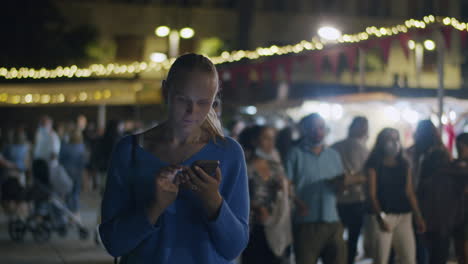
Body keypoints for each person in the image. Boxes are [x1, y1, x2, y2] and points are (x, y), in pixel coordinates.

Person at [99, 53, 249, 264]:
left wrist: (213, 201)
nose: (192, 111)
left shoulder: (229, 153)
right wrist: (155, 206)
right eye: (183, 100)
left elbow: (234, 247)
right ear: (165, 91)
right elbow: (113, 243)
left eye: (203, 103)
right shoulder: (130, 151)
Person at [285, 113, 346, 264]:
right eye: (313, 128)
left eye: (321, 127)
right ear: (304, 130)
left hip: (332, 220)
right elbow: (286, 186)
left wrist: (342, 185)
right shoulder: (295, 154)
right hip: (306, 222)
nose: (318, 131)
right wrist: (298, 203)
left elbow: (340, 186)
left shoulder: (333, 155)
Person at [365, 128, 426, 264]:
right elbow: (372, 194)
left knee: (409, 258)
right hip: (384, 215)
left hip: (404, 216)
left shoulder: (404, 165)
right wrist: (380, 217)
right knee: (381, 258)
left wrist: (418, 216)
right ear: (381, 141)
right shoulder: (374, 164)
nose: (393, 142)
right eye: (389, 138)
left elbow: (410, 192)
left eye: (396, 138)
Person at [242, 125, 292, 264]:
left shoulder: (276, 167)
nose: (270, 143)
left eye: (273, 139)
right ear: (254, 141)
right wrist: (255, 207)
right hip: (253, 230)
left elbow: (285, 195)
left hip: (277, 227)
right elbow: (236, 198)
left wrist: (285, 189)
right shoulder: (245, 167)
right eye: (266, 138)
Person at [407, 120, 446, 264]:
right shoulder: (441, 153)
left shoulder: (414, 152)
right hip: (434, 205)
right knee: (433, 247)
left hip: (420, 202)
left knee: (421, 245)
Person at [332, 116, 369, 264]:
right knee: (352, 238)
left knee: (338, 238)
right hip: (355, 199)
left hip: (339, 198)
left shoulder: (335, 146)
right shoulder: (363, 150)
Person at [60, 128, 87, 214]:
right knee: (76, 193)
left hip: (67, 172)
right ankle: (75, 212)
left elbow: (60, 159)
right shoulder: (82, 146)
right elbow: (83, 161)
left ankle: (68, 212)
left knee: (68, 193)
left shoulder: (65, 146)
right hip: (78, 172)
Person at [453, 133, 468, 264]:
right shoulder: (454, 163)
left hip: (463, 212)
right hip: (457, 212)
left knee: (463, 248)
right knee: (460, 250)